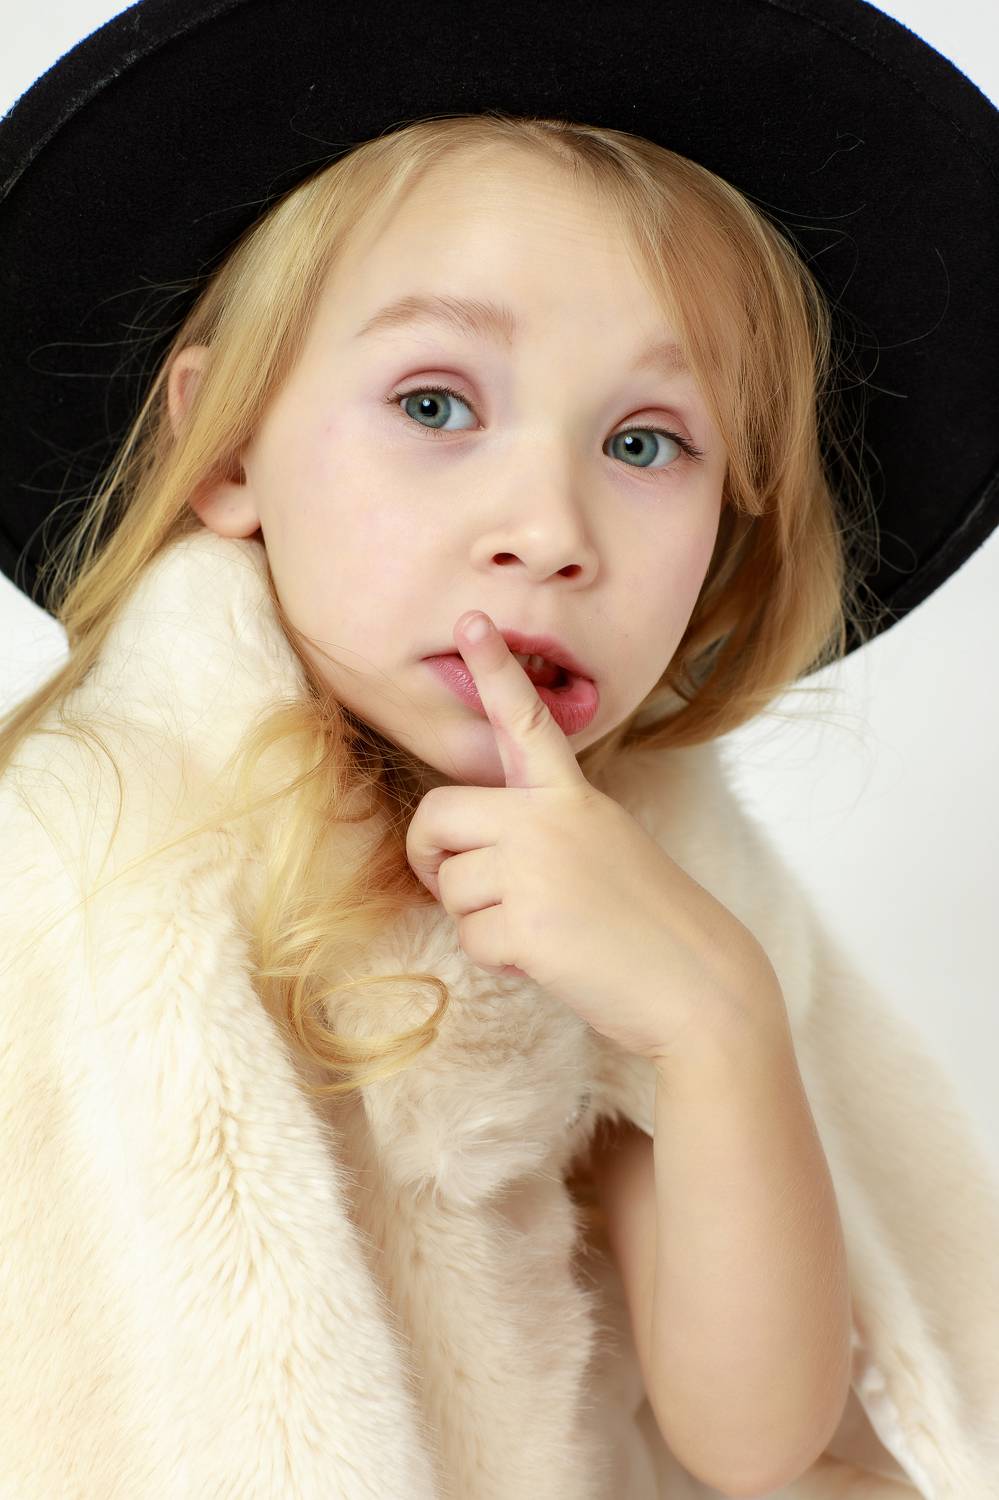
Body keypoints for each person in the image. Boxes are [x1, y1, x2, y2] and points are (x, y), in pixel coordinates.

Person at [1, 3, 997, 1497]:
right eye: (434, 403)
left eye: (647, 441)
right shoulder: (73, 871)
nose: (549, 530)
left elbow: (753, 1440)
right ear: (226, 444)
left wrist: (716, 1024)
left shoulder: (629, 869)